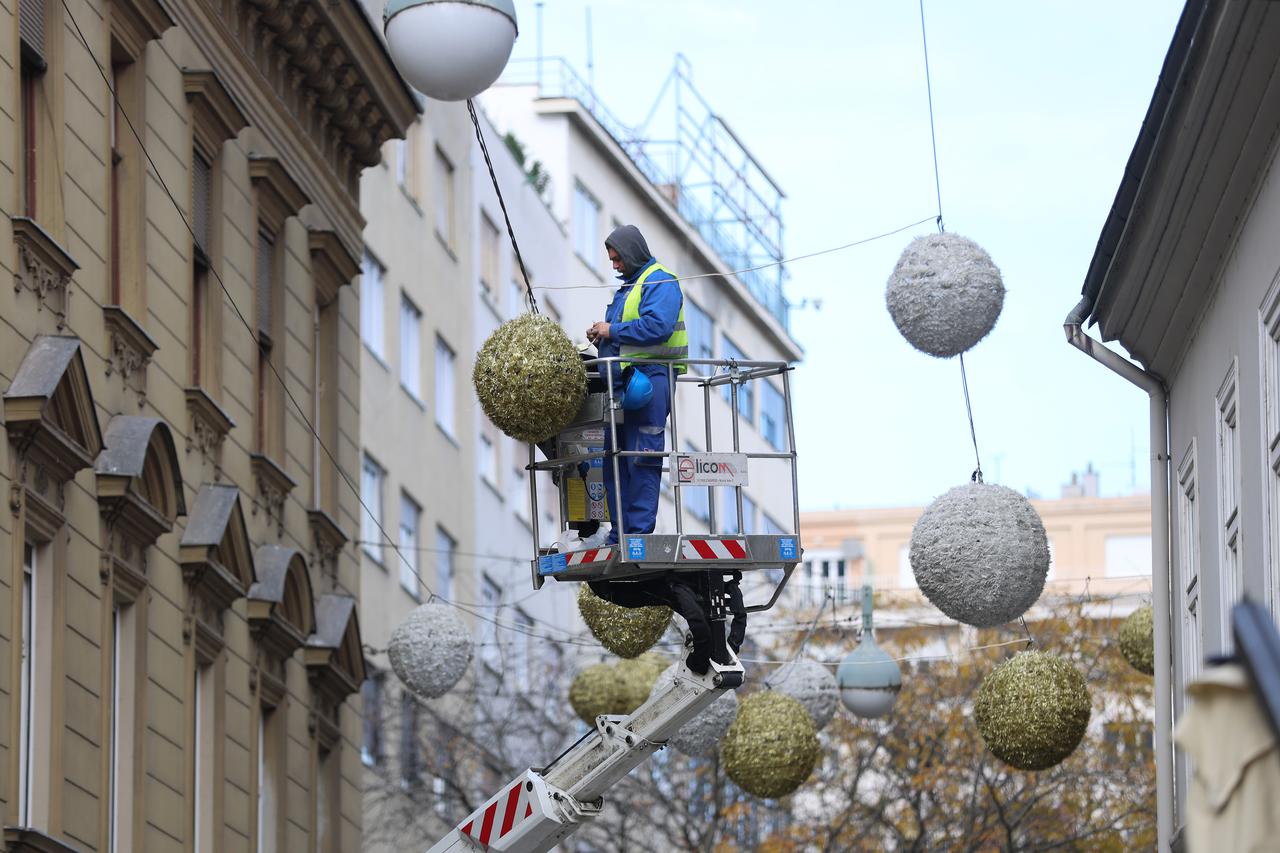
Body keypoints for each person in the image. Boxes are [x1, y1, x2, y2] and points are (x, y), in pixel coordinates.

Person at [583, 224, 686, 547]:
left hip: (650, 380)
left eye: (617, 259)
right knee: (615, 458)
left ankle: (637, 534)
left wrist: (611, 331)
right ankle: (620, 533)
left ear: (630, 253)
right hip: (624, 384)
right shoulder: (628, 288)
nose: (614, 265)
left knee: (642, 456)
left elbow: (658, 326)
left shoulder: (659, 280)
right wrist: (602, 335)